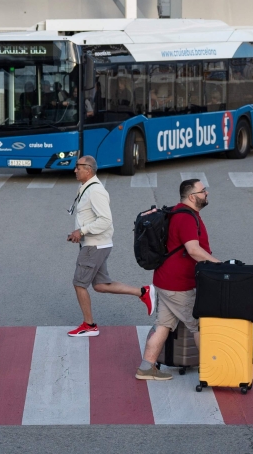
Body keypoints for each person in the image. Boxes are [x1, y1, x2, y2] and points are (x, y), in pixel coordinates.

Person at [136, 178, 220, 381]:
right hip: (178, 284)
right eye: (203, 191)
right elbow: (193, 250)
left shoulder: (178, 212)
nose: (206, 193)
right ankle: (212, 372)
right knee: (198, 325)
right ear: (192, 196)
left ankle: (146, 368)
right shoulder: (186, 218)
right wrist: (219, 264)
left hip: (165, 280)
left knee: (164, 324)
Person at [66, 155, 153, 338]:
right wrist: (79, 234)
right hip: (96, 245)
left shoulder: (95, 191)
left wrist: (81, 232)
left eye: (78, 167)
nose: (75, 170)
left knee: (79, 284)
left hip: (94, 246)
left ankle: (89, 325)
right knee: (101, 285)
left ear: (88, 170)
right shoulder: (85, 187)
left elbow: (105, 221)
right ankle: (143, 292)